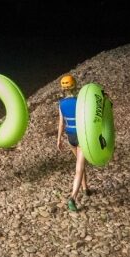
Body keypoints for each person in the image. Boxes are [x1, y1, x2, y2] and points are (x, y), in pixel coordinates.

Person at [56, 73, 88, 212]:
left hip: (70, 137)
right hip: (81, 136)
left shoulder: (61, 104)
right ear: (75, 86)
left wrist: (58, 140)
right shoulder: (80, 101)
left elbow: (61, 123)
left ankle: (85, 188)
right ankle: (73, 197)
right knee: (79, 168)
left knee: (79, 163)